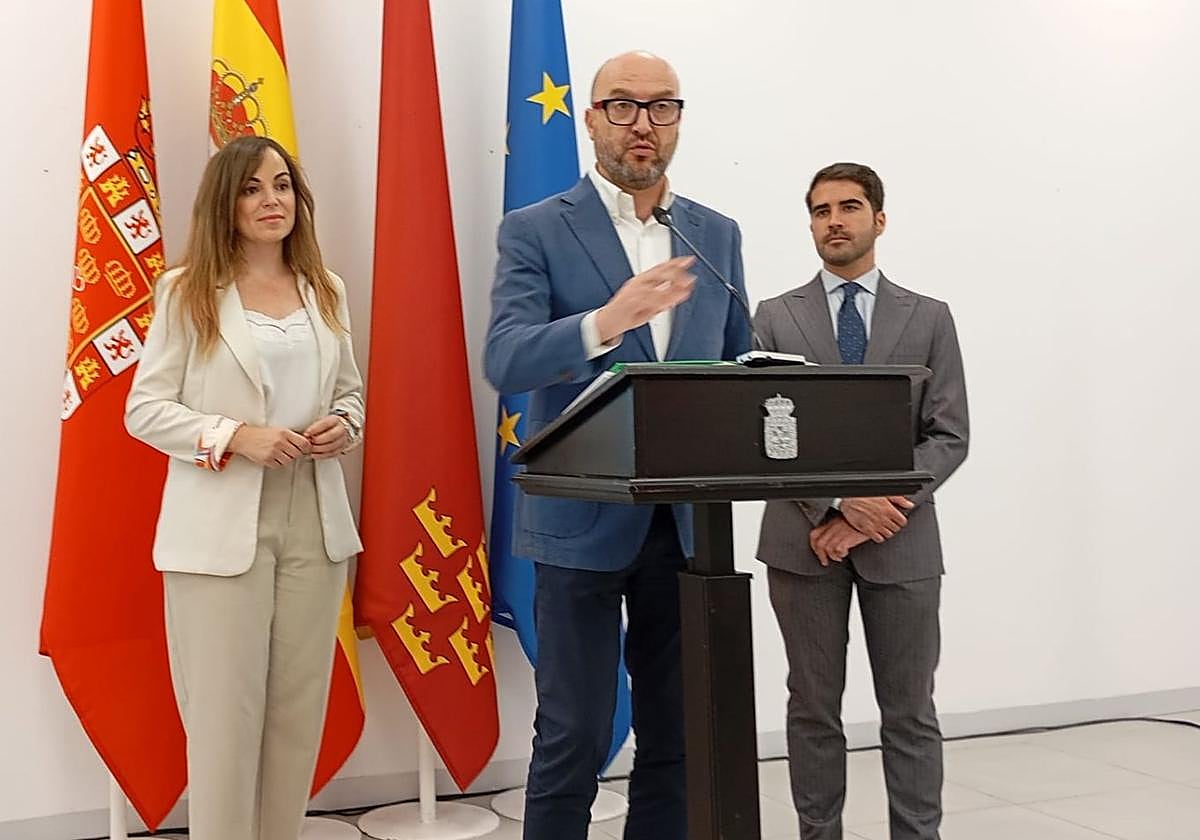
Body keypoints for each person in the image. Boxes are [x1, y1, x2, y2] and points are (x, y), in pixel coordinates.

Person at [484, 51, 751, 840]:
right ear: (591, 119)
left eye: (662, 107)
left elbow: (737, 359)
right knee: (575, 732)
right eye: (624, 106)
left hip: (688, 525)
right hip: (579, 520)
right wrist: (608, 321)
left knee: (678, 733)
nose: (644, 123)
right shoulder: (536, 229)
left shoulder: (714, 234)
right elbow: (505, 359)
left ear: (678, 121)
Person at [125, 136, 365, 840]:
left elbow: (350, 395)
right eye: (253, 188)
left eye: (282, 185)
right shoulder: (186, 292)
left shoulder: (326, 289)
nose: (271, 200)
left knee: (296, 717)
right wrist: (235, 436)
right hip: (220, 527)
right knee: (223, 722)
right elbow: (144, 410)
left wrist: (343, 426)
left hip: (313, 520)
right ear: (224, 203)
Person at [754, 162, 969, 840]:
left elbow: (949, 435)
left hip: (903, 543)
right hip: (802, 543)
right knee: (812, 708)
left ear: (879, 219)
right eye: (821, 211)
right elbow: (760, 438)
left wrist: (873, 512)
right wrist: (837, 505)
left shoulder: (928, 317)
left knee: (910, 711)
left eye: (848, 207)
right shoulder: (775, 318)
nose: (834, 221)